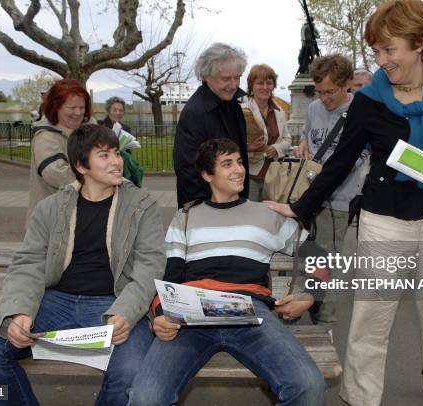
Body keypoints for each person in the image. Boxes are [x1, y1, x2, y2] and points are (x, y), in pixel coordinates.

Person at [266, 1, 423, 405]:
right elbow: (339, 161)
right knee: (371, 319)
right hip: (385, 220)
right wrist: (299, 207)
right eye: (375, 51)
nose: (381, 60)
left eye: (389, 50)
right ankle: (361, 397)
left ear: (419, 43)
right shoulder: (370, 99)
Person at [0, 124, 166, 406]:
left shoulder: (143, 206)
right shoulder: (51, 208)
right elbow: (28, 263)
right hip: (55, 301)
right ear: (81, 166)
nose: (117, 162)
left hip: (113, 303)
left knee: (132, 371)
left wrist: (125, 313)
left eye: (117, 153)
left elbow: (150, 266)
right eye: (104, 155)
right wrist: (17, 312)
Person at [127, 139, 326, 406]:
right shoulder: (185, 217)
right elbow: (169, 276)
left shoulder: (266, 214)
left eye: (240, 162)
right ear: (207, 175)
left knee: (307, 385)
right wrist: (161, 316)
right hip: (191, 313)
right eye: (227, 164)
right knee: (145, 399)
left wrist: (310, 295)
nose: (239, 170)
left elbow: (322, 257)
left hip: (249, 311)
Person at [293, 54, 370, 326]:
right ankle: (313, 302)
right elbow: (307, 134)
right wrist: (303, 144)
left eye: (330, 92)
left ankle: (324, 315)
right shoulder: (314, 108)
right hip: (308, 195)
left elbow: (361, 153)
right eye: (320, 92)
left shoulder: (359, 111)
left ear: (346, 84)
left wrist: (334, 171)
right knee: (309, 253)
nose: (324, 98)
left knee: (327, 258)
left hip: (337, 199)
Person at [173, 43, 250, 207]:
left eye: (237, 77)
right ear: (207, 76)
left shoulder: (232, 105)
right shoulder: (195, 113)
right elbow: (188, 170)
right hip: (209, 208)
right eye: (226, 78)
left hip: (231, 201)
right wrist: (206, 209)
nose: (234, 85)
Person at [27, 79, 95, 219]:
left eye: (82, 107)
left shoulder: (90, 130)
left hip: (82, 217)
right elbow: (56, 174)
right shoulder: (45, 137)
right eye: (72, 108)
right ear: (56, 107)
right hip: (51, 223)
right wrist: (97, 175)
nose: (78, 113)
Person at [242, 64, 292, 201]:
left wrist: (276, 148)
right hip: (249, 173)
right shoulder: (242, 111)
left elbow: (287, 139)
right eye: (260, 83)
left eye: (269, 83)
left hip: (273, 174)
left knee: (270, 215)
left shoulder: (279, 111)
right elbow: (231, 142)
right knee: (251, 215)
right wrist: (248, 147)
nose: (265, 87)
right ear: (251, 86)